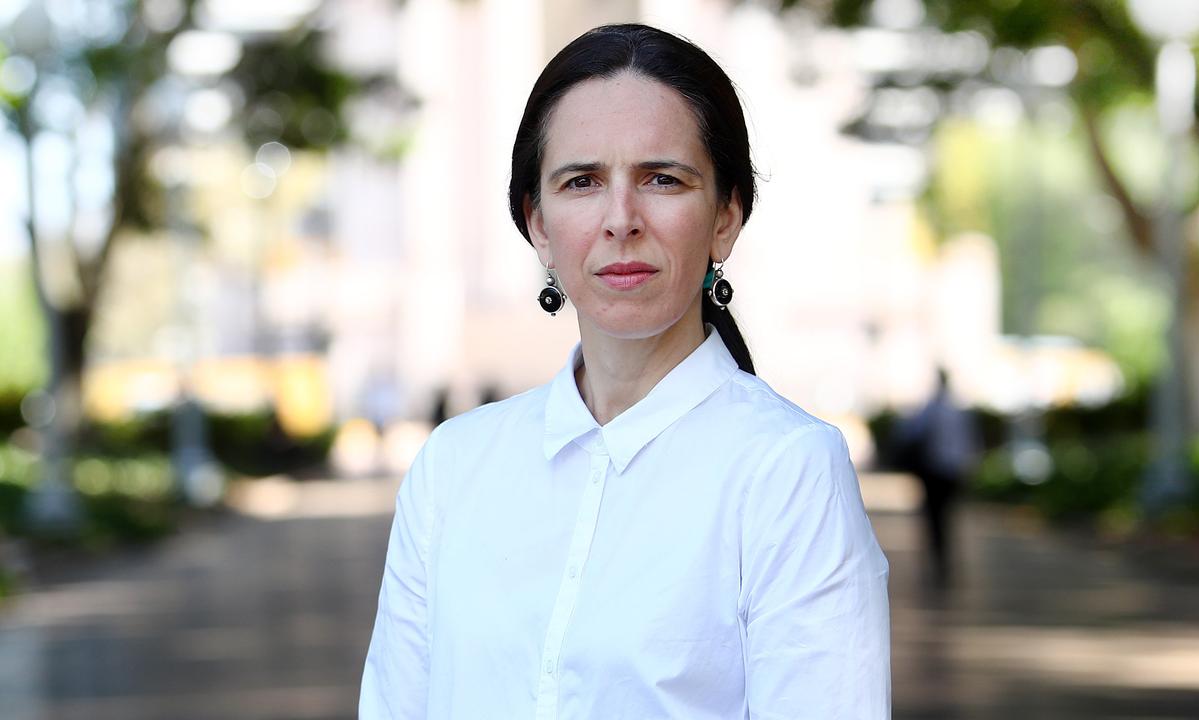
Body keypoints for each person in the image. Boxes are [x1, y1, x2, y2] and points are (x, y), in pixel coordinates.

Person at [359, 24, 890, 719]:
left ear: (725, 217)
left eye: (661, 179)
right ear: (538, 223)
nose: (621, 219)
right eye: (581, 182)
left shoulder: (786, 471)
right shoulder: (452, 469)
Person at [891, 369, 978, 586]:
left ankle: (938, 559)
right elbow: (969, 443)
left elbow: (909, 433)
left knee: (934, 518)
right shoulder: (957, 410)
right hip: (951, 471)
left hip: (934, 471)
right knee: (945, 516)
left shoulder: (931, 409)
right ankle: (942, 561)